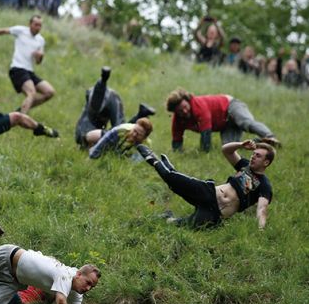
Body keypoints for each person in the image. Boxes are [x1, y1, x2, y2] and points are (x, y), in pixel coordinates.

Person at [136, 140, 275, 230]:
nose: (253, 156)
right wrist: (240, 145)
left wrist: (260, 230)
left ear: (266, 162)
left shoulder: (264, 185)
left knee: (185, 226)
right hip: (208, 193)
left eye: (258, 155)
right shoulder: (244, 165)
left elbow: (262, 209)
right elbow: (226, 150)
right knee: (172, 181)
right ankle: (153, 160)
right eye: (253, 153)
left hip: (215, 214)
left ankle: (167, 217)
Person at [165, 88, 280, 152]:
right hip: (225, 124)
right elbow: (177, 139)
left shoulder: (197, 105)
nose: (184, 111)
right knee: (230, 148)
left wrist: (204, 153)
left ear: (188, 101)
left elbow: (206, 133)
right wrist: (178, 153)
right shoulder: (177, 120)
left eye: (185, 107)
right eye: (180, 111)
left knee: (245, 123)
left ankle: (270, 136)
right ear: (175, 112)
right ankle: (262, 142)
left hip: (230, 106)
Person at [0, 15, 55, 114]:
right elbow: (4, 31)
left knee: (49, 92)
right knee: (31, 93)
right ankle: (22, 117)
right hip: (18, 69)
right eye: (36, 25)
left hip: (29, 71)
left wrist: (40, 56)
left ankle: (21, 110)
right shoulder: (21, 30)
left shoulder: (40, 40)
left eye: (40, 25)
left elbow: (38, 62)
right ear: (30, 24)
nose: (38, 28)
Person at [75, 67, 155, 148]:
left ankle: (102, 82)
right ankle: (141, 114)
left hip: (103, 101)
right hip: (107, 98)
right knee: (119, 129)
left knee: (115, 133)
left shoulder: (86, 129)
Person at [88, 118, 152, 160]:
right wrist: (91, 157)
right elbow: (102, 143)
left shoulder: (145, 146)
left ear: (144, 138)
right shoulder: (121, 130)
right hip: (111, 137)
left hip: (122, 154)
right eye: (134, 130)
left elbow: (134, 163)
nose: (134, 134)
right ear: (134, 126)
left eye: (139, 134)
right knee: (90, 136)